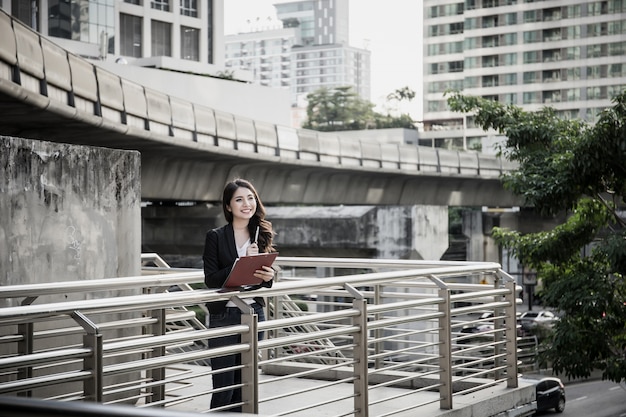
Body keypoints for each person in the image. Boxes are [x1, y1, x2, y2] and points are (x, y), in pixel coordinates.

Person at [202, 178, 276, 412]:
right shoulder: (215, 236)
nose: (247, 204)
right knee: (224, 386)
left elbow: (263, 280)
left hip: (254, 314)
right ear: (228, 206)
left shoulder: (261, 234)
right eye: (239, 199)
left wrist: (269, 276)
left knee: (246, 384)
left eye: (250, 198)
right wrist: (240, 263)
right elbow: (211, 279)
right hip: (224, 315)